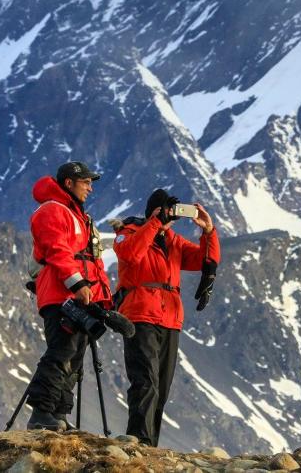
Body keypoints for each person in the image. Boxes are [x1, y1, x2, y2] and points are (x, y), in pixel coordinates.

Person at [113, 189, 220, 446]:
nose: (172, 219)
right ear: (155, 211)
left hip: (170, 318)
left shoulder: (173, 241)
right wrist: (154, 224)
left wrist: (208, 232)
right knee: (145, 381)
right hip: (140, 314)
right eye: (167, 212)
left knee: (160, 387)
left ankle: (150, 445)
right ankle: (139, 441)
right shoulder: (127, 232)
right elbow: (131, 254)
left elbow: (202, 261)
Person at [26, 161, 113, 430]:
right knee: (61, 351)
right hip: (59, 294)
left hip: (79, 296)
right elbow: (57, 251)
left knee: (74, 356)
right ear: (68, 183)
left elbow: (92, 261)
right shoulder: (52, 210)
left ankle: (59, 416)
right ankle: (41, 414)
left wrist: (102, 298)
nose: (90, 187)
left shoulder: (77, 216)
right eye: (85, 182)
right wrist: (77, 285)